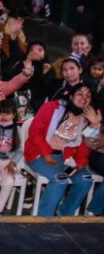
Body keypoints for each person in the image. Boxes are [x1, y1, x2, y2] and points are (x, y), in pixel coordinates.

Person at [23, 83, 101, 217]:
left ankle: (64, 215)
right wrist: (46, 154)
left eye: (88, 96)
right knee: (60, 180)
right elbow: (35, 132)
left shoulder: (88, 117)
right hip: (40, 155)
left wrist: (81, 162)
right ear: (71, 96)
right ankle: (44, 219)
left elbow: (85, 145)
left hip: (67, 159)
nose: (84, 98)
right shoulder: (52, 107)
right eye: (80, 94)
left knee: (86, 179)